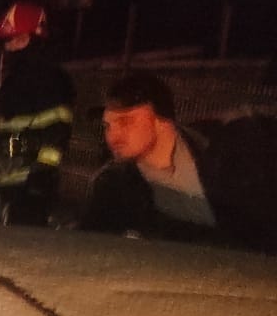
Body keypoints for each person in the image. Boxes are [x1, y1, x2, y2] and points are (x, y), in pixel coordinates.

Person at [80, 72, 277, 255]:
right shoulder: (113, 183)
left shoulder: (228, 149)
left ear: (163, 121)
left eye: (126, 122)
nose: (112, 136)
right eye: (108, 126)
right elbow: (90, 243)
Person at [0, 1, 74, 226]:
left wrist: (42, 175)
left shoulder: (52, 82)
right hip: (0, 186)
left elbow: (58, 131)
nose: (11, 47)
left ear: (38, 40)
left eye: (18, 39)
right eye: (8, 41)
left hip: (28, 190)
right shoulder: (11, 84)